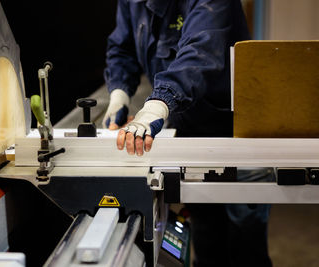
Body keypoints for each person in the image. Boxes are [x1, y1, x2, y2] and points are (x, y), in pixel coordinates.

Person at [102, 0, 273, 266]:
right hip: (189, 132)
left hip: (238, 132)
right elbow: (122, 47)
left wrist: (158, 105)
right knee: (206, 236)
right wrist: (119, 92)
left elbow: (199, 53)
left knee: (245, 238)